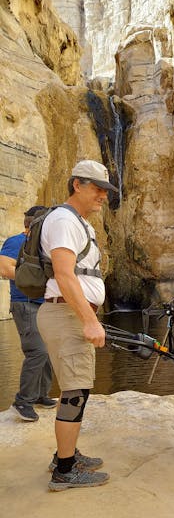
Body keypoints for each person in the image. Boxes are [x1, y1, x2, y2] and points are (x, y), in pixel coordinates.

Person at [36, 160, 118, 491]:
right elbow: (65, 275)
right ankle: (65, 472)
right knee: (75, 391)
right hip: (66, 315)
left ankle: (64, 456)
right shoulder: (63, 220)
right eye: (97, 188)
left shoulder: (78, 222)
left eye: (105, 190)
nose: (102, 195)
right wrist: (89, 320)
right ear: (77, 185)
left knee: (78, 388)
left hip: (69, 313)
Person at [0, 206, 57, 421]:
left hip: (44, 305)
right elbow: (4, 268)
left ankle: (41, 394)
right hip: (25, 304)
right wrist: (36, 279)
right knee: (37, 352)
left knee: (49, 351)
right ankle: (23, 402)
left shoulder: (42, 245)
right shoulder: (16, 242)